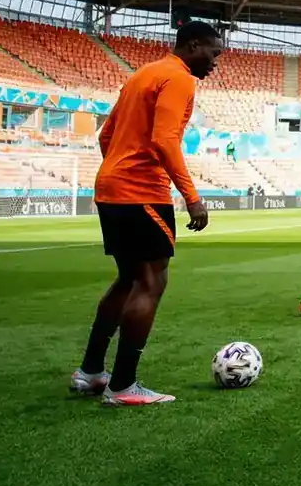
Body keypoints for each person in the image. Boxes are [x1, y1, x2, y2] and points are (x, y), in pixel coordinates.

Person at [70, 21, 223, 406]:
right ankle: (123, 386)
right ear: (193, 46)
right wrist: (192, 197)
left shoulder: (143, 74)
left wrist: (120, 169)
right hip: (141, 192)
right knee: (151, 283)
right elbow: (165, 139)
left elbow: (106, 136)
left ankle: (90, 372)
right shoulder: (180, 79)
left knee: (127, 278)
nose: (215, 63)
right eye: (213, 53)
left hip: (111, 186)